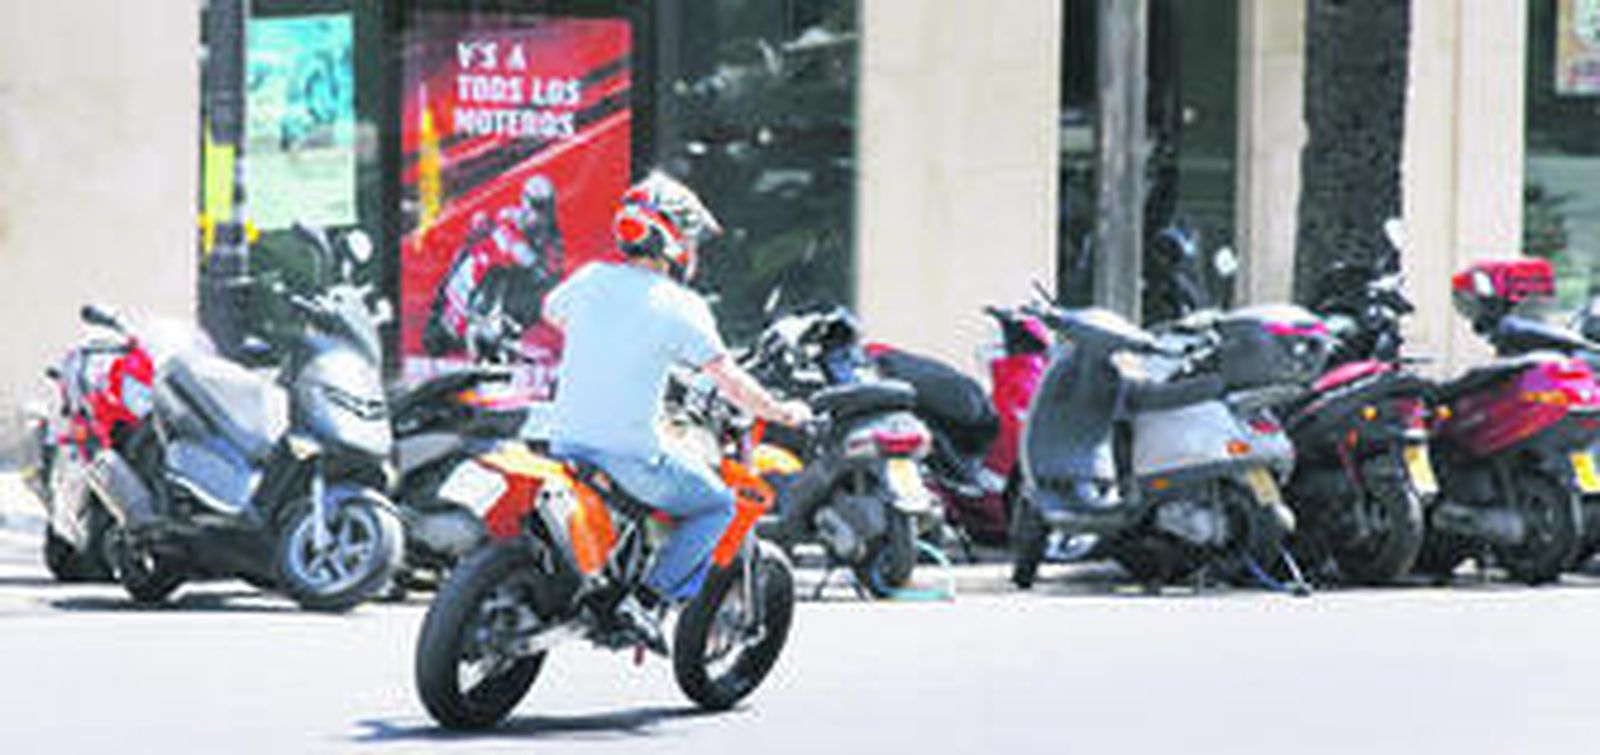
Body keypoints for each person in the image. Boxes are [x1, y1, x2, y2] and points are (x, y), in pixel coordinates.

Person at [543, 172, 810, 653]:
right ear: (673, 239)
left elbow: (552, 312)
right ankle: (646, 601)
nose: (693, 250)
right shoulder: (680, 305)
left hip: (565, 442)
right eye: (691, 239)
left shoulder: (590, 279)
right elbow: (731, 382)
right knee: (717, 505)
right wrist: (782, 412)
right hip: (628, 455)